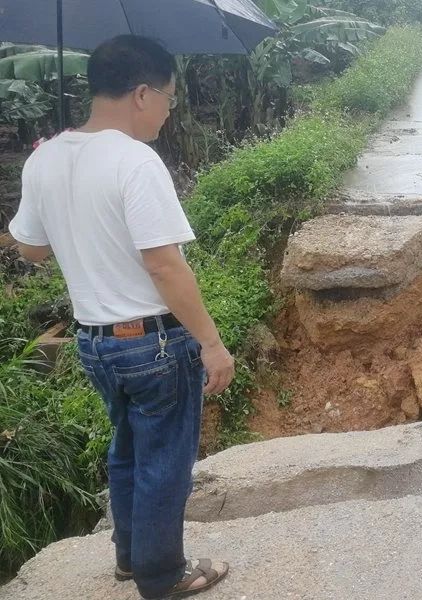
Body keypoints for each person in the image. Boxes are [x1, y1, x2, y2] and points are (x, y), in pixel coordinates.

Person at [9, 35, 234, 599]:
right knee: (164, 461)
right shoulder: (136, 160)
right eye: (169, 98)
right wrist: (211, 343)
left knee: (128, 449)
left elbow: (31, 250)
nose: (167, 110)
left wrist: (64, 196)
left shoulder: (45, 156)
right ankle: (162, 577)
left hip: (95, 343)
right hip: (153, 342)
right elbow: (164, 265)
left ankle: (132, 558)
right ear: (141, 93)